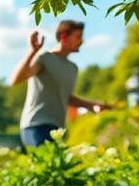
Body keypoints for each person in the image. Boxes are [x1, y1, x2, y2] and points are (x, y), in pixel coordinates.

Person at [9, 20, 112, 148]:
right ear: (64, 37)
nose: (82, 41)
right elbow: (16, 79)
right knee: (48, 165)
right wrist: (32, 52)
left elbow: (66, 97)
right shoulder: (45, 58)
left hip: (57, 128)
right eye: (78, 37)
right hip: (36, 125)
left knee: (60, 167)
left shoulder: (72, 68)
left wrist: (93, 105)